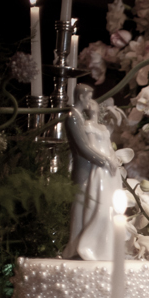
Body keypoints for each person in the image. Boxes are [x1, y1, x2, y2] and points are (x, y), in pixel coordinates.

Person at [63, 85, 122, 261]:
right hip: (85, 168)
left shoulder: (82, 118)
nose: (90, 101)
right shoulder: (73, 118)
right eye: (88, 97)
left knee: (89, 206)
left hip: (97, 169)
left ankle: (91, 246)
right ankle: (76, 247)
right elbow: (83, 147)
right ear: (81, 97)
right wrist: (104, 161)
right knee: (82, 205)